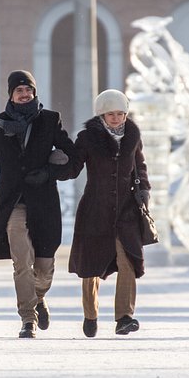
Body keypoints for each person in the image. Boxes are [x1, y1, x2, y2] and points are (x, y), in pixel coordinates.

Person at [0, 70, 76, 338]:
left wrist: (49, 173)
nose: (24, 94)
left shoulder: (49, 120)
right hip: (13, 204)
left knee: (43, 269)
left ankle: (39, 297)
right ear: (10, 94)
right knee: (21, 260)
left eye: (28, 90)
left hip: (44, 203)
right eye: (19, 90)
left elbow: (75, 159)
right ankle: (27, 318)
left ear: (34, 92)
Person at [66, 89, 151, 338]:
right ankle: (90, 314)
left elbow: (140, 166)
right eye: (111, 114)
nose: (116, 118)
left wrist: (144, 189)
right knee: (91, 266)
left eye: (120, 113)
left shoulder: (133, 136)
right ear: (102, 115)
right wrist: (57, 162)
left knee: (128, 262)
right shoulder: (87, 138)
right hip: (95, 210)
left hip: (126, 211)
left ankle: (124, 317)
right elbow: (72, 168)